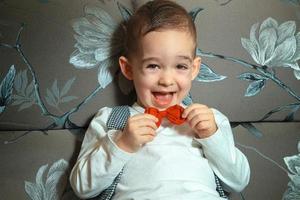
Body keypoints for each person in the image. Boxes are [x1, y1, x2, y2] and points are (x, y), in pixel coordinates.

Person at [69, 0, 250, 199]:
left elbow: (238, 182)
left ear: (194, 69)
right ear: (128, 69)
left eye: (180, 66)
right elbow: (82, 188)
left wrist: (212, 137)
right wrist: (122, 144)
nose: (166, 80)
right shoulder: (111, 120)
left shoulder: (211, 121)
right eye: (153, 66)